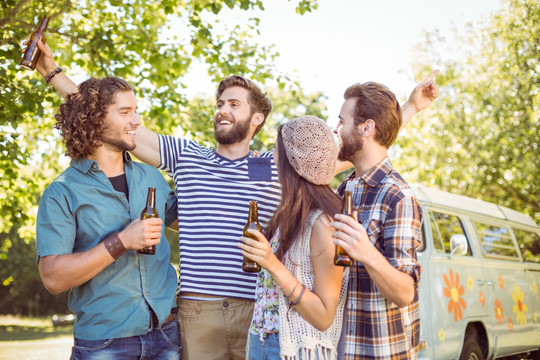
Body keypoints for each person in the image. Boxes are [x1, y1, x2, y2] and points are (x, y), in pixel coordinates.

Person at [30, 38, 438, 360]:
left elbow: (357, 147)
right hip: (197, 312)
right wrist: (54, 74)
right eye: (220, 104)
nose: (223, 110)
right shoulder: (187, 156)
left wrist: (409, 108)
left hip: (257, 311)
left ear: (255, 118)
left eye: (233, 104)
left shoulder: (276, 166)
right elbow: (112, 119)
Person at [35, 77, 181, 359]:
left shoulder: (151, 177)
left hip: (167, 337)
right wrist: (123, 241)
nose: (136, 121)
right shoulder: (62, 192)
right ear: (94, 118)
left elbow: (191, 223)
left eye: (135, 111)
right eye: (125, 112)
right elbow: (53, 277)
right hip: (105, 345)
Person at [331, 81, 430, 359]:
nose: (336, 130)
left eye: (341, 121)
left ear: (366, 128)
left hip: (380, 351)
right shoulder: (346, 188)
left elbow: (405, 293)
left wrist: (367, 253)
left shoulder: (398, 197)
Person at [238, 116, 348, 360]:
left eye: (276, 152)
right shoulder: (288, 212)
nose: (272, 159)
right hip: (262, 341)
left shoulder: (323, 224)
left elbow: (324, 316)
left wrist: (272, 263)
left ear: (292, 163)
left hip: (294, 348)